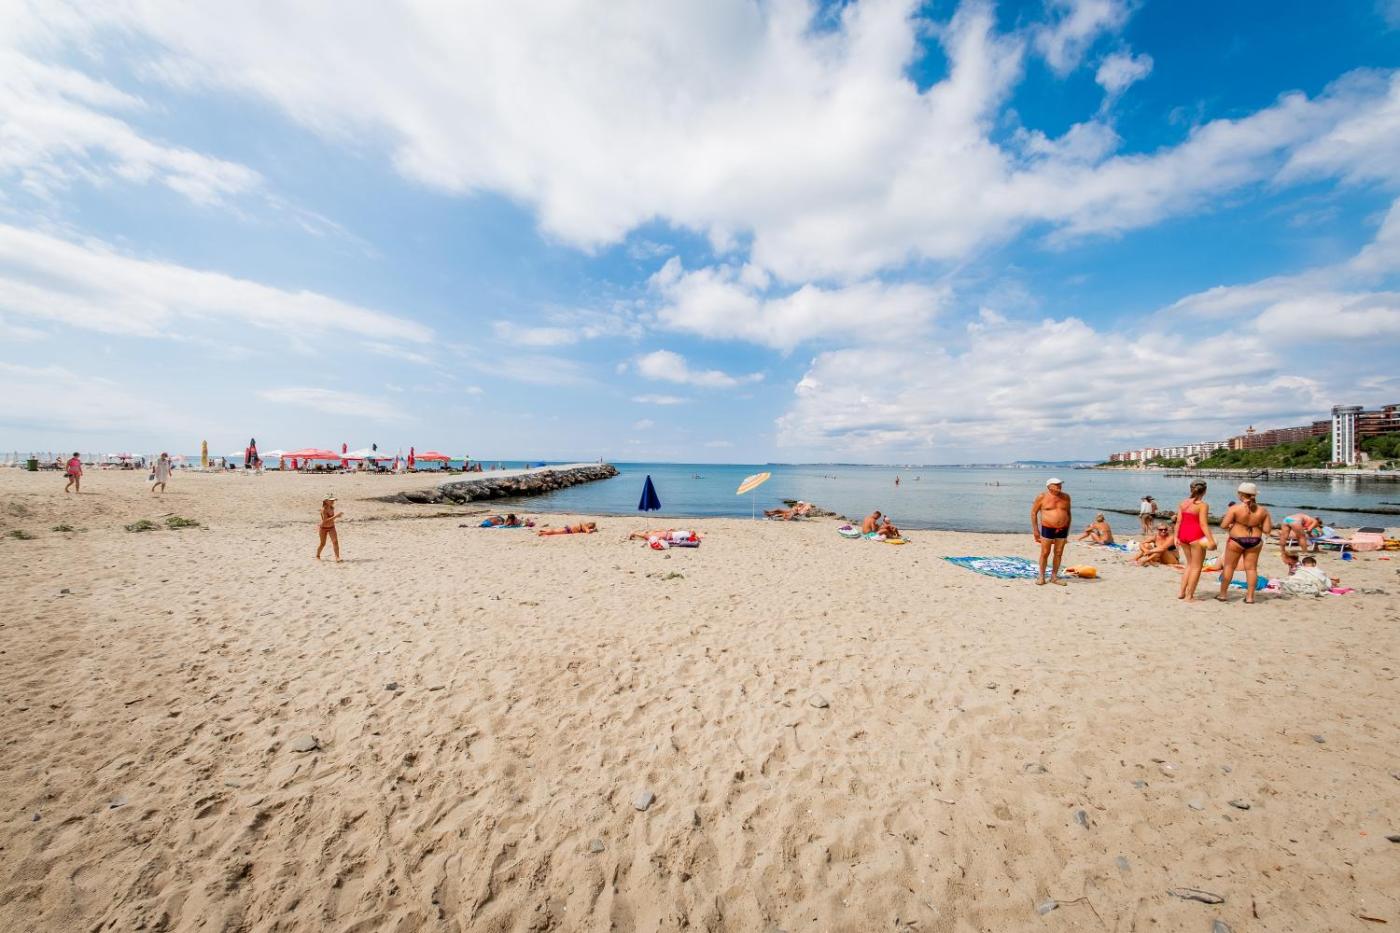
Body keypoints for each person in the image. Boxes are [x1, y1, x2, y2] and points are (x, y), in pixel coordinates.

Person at [1216, 482, 1272, 604]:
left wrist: (1234, 525)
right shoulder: (1263, 511)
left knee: (1229, 567)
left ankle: (1223, 594)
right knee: (1251, 569)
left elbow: (1223, 525)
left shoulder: (1235, 508)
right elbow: (1267, 530)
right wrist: (1256, 525)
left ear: (1240, 494)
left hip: (1236, 540)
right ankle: (1250, 597)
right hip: (1255, 541)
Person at [1174, 480, 1216, 601]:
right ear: (1205, 491)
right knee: (1196, 567)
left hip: (1183, 535)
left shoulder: (1183, 503)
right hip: (1196, 536)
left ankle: (1181, 592)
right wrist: (1211, 540)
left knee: (1189, 565)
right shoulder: (1202, 505)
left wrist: (1175, 537)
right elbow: (1203, 524)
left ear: (1191, 489)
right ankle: (1189, 596)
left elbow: (1178, 522)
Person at [1031, 478, 1072, 586]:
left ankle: (1054, 577)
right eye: (1056, 484)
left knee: (1058, 553)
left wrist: (1067, 531)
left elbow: (1068, 513)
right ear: (1049, 486)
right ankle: (1041, 577)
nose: (1059, 486)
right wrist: (1036, 530)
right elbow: (1034, 513)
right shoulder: (1042, 497)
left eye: (1060, 484)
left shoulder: (1066, 497)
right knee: (1045, 553)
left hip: (1062, 529)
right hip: (1047, 528)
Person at [316, 495, 343, 561]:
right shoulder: (323, 510)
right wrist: (336, 516)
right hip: (323, 528)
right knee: (322, 544)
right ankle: (317, 555)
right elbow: (325, 520)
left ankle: (337, 557)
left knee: (335, 542)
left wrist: (337, 516)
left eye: (333, 500)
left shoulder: (332, 508)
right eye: (331, 500)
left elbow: (331, 519)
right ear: (326, 501)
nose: (333, 501)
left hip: (331, 527)